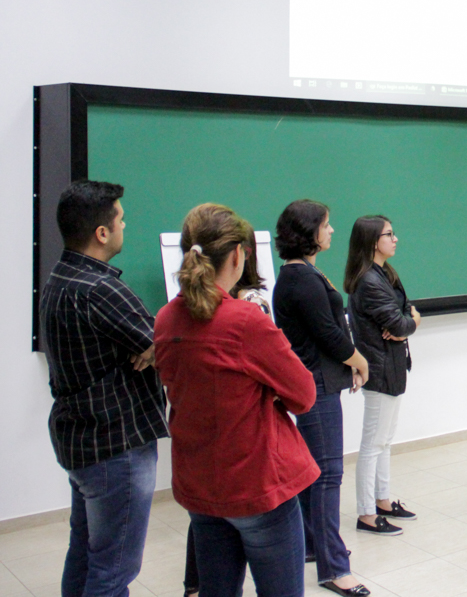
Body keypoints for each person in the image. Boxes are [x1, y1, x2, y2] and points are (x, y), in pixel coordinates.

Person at [155, 203, 320, 597]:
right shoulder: (246, 321)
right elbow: (304, 395)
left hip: (200, 484)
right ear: (237, 255)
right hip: (255, 484)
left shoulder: (165, 319)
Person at [39, 180, 168, 597]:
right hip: (117, 447)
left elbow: (152, 345)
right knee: (113, 571)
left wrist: (152, 347)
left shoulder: (60, 277)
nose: (124, 226)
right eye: (121, 220)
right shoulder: (102, 289)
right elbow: (166, 347)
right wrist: (154, 348)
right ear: (101, 232)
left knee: (85, 553)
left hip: (81, 443)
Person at [273, 200, 372, 596]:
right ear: (308, 231)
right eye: (326, 225)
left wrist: (349, 366)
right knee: (327, 473)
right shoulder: (301, 279)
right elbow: (328, 333)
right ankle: (334, 568)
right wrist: (359, 361)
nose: (331, 231)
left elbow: (330, 328)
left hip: (319, 380)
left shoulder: (303, 274)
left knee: (316, 472)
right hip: (314, 384)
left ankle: (314, 546)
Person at [182, 225, 270, 597]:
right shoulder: (248, 313)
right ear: (239, 255)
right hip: (245, 460)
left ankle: (195, 585)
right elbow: (296, 388)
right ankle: (196, 583)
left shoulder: (176, 315)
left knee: (208, 523)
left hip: (201, 459)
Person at [344, 215, 421, 535]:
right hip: (379, 369)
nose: (395, 238)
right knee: (373, 443)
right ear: (373, 241)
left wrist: (408, 322)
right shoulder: (369, 281)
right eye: (389, 234)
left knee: (384, 440)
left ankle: (383, 500)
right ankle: (366, 513)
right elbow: (402, 322)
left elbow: (406, 313)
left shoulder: (385, 273)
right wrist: (409, 324)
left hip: (392, 366)